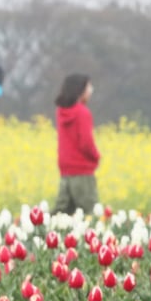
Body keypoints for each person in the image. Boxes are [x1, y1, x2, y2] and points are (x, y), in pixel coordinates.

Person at [54, 73, 101, 216]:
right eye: (88, 87)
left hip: (66, 170)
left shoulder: (61, 112)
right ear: (79, 90)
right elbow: (86, 142)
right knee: (90, 214)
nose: (91, 91)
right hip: (82, 170)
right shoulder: (82, 113)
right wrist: (96, 156)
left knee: (62, 214)